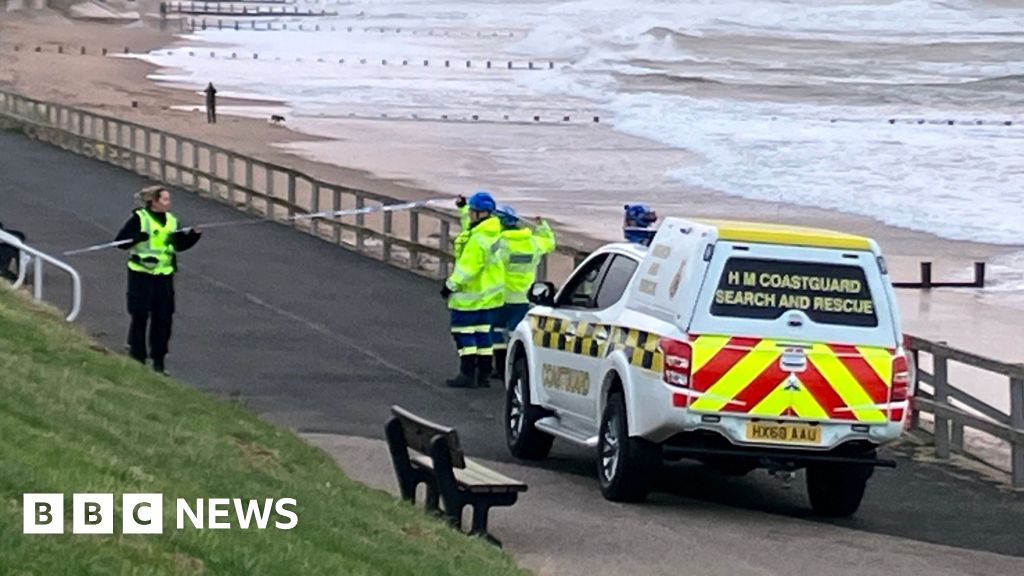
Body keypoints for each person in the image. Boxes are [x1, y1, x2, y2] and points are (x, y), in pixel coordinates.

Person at [114, 186, 202, 374]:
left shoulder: (172, 221)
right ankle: (137, 356)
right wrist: (136, 238)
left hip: (164, 277)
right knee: (140, 316)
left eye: (168, 200)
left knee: (163, 320)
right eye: (164, 200)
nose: (168, 203)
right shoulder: (139, 219)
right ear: (153, 202)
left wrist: (194, 237)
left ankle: (159, 361)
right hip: (141, 275)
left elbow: (179, 245)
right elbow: (120, 242)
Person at [440, 191, 505, 388]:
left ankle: (467, 373)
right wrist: (463, 207)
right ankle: (483, 374)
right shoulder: (491, 230)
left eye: (472, 211)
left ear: (479, 213)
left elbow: (468, 268)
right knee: (483, 334)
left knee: (463, 334)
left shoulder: (477, 240)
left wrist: (450, 286)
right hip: (488, 296)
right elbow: (469, 224)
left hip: (469, 296)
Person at [491, 205, 555, 380]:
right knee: (515, 333)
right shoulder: (533, 243)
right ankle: (513, 368)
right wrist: (543, 226)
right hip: (523, 297)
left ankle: (498, 367)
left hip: (500, 296)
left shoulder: (499, 243)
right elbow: (549, 242)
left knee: (495, 333)